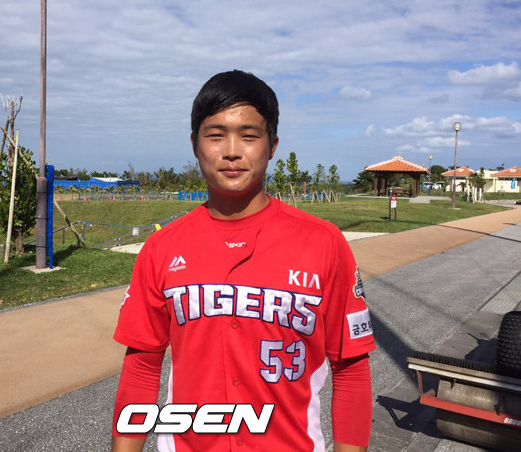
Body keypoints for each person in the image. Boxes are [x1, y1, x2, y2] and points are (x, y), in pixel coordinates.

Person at [112, 70, 375, 452]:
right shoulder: (162, 248)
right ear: (194, 143)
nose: (232, 151)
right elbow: (141, 367)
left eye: (249, 136)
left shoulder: (323, 243)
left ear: (272, 145)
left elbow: (351, 371)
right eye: (215, 135)